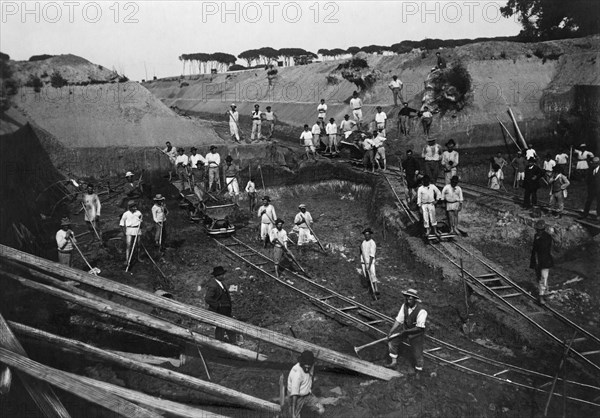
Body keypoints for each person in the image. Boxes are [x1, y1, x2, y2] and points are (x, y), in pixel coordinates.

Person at [386, 289, 427, 375]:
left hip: (416, 334)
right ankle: (394, 363)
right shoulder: (404, 306)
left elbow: (419, 328)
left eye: (411, 298)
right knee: (392, 341)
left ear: (415, 300)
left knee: (417, 353)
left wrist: (406, 332)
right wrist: (391, 331)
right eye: (407, 297)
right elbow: (398, 320)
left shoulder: (421, 311)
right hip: (405, 330)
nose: (408, 299)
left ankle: (418, 372)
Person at [287, 350, 324, 418]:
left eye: (309, 366)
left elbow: (312, 367)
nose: (307, 369)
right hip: (297, 398)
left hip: (307, 395)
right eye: (305, 367)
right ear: (301, 363)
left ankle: (307, 411)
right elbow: (294, 395)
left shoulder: (310, 366)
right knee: (294, 417)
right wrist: (293, 414)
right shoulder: (297, 374)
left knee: (321, 410)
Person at [204, 266, 235, 342]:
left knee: (228, 326)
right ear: (218, 276)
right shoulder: (213, 285)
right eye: (222, 275)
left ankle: (232, 341)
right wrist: (218, 305)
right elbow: (208, 298)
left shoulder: (221, 284)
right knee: (221, 327)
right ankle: (219, 342)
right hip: (220, 310)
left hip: (226, 310)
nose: (224, 276)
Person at [530, 220, 553, 305]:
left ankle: (541, 296)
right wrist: (534, 260)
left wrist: (539, 239)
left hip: (544, 261)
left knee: (544, 277)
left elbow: (544, 248)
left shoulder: (547, 237)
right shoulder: (536, 236)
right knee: (539, 277)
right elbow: (534, 249)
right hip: (537, 260)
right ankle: (544, 292)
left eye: (540, 230)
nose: (538, 231)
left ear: (543, 230)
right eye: (537, 230)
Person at [119, 200, 143, 265]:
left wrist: (141, 223)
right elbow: (121, 224)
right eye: (133, 207)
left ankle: (138, 257)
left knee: (138, 244)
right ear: (130, 207)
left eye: (135, 206)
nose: (135, 208)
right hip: (129, 230)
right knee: (128, 245)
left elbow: (141, 221)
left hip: (137, 229)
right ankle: (127, 260)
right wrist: (124, 232)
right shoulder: (126, 214)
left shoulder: (138, 213)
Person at [360, 228, 379, 295]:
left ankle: (376, 290)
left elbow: (372, 255)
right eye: (365, 235)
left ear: (370, 235)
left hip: (369, 262)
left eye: (368, 234)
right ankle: (369, 289)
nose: (366, 236)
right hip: (363, 262)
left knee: (372, 275)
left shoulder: (372, 243)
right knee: (366, 276)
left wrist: (369, 265)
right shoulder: (363, 243)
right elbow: (361, 252)